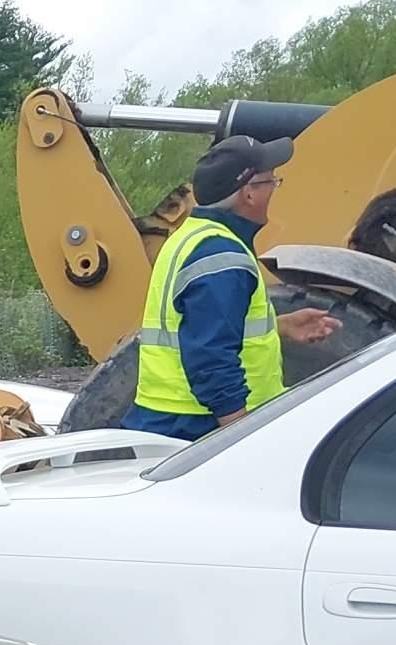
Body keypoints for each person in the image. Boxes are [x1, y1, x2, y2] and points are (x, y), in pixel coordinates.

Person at [125, 134, 341, 441]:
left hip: (175, 418)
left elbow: (201, 328)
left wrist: (278, 327)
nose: (275, 189)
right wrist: (239, 435)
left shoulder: (192, 236)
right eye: (272, 182)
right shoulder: (221, 255)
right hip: (197, 428)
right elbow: (210, 354)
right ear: (249, 194)